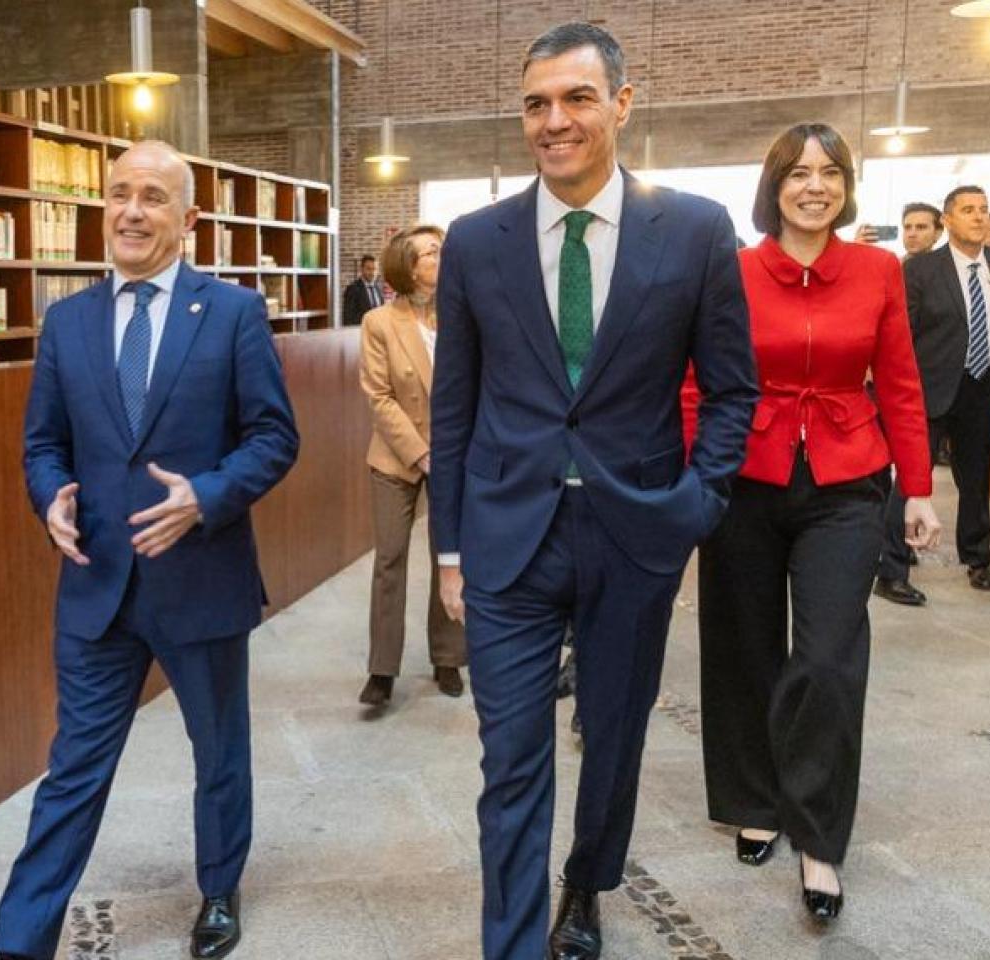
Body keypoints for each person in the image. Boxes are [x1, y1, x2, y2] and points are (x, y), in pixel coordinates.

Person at [428, 22, 757, 960]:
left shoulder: (691, 229)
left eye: (575, 98)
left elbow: (732, 388)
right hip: (507, 537)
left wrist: (697, 503)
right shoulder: (477, 240)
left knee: (613, 737)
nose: (554, 121)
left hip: (636, 529)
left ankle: (586, 883)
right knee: (511, 758)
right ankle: (514, 942)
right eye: (536, 103)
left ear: (621, 102)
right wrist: (449, 547)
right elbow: (454, 407)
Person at [0, 141, 299, 960]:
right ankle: (20, 940)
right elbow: (43, 443)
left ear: (188, 219)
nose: (130, 210)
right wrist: (47, 496)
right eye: (119, 193)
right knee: (74, 769)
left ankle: (220, 889)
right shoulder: (67, 321)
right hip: (96, 585)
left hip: (201, 577)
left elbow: (274, 437)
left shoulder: (231, 313)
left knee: (219, 751)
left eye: (153, 196)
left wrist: (208, 495)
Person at [692, 123, 941, 925]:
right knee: (743, 646)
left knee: (829, 657)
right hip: (746, 477)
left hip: (846, 479)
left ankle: (818, 832)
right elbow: (697, 379)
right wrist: (695, 472)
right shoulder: (731, 271)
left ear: (845, 186)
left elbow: (900, 382)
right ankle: (753, 799)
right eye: (798, 172)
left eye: (830, 172)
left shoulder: (876, 270)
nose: (814, 185)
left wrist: (918, 486)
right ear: (774, 185)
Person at [876, 184, 990, 603]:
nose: (979, 217)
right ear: (948, 220)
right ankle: (892, 569)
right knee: (912, 478)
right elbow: (901, 335)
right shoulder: (921, 270)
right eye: (968, 210)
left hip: (983, 386)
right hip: (929, 388)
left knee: (976, 479)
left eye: (984, 209)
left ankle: (978, 559)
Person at [357, 225, 467, 706]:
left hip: (455, 456)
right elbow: (378, 397)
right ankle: (382, 670)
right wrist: (422, 454)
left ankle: (447, 659)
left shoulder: (462, 316)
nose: (441, 259)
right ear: (410, 265)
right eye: (432, 253)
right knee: (390, 560)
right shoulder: (380, 322)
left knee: (451, 557)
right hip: (397, 459)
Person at [344, 253, 387, 325]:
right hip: (360, 332)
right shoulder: (353, 289)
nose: (372, 273)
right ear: (361, 269)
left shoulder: (378, 288)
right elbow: (348, 318)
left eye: (375, 269)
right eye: (369, 269)